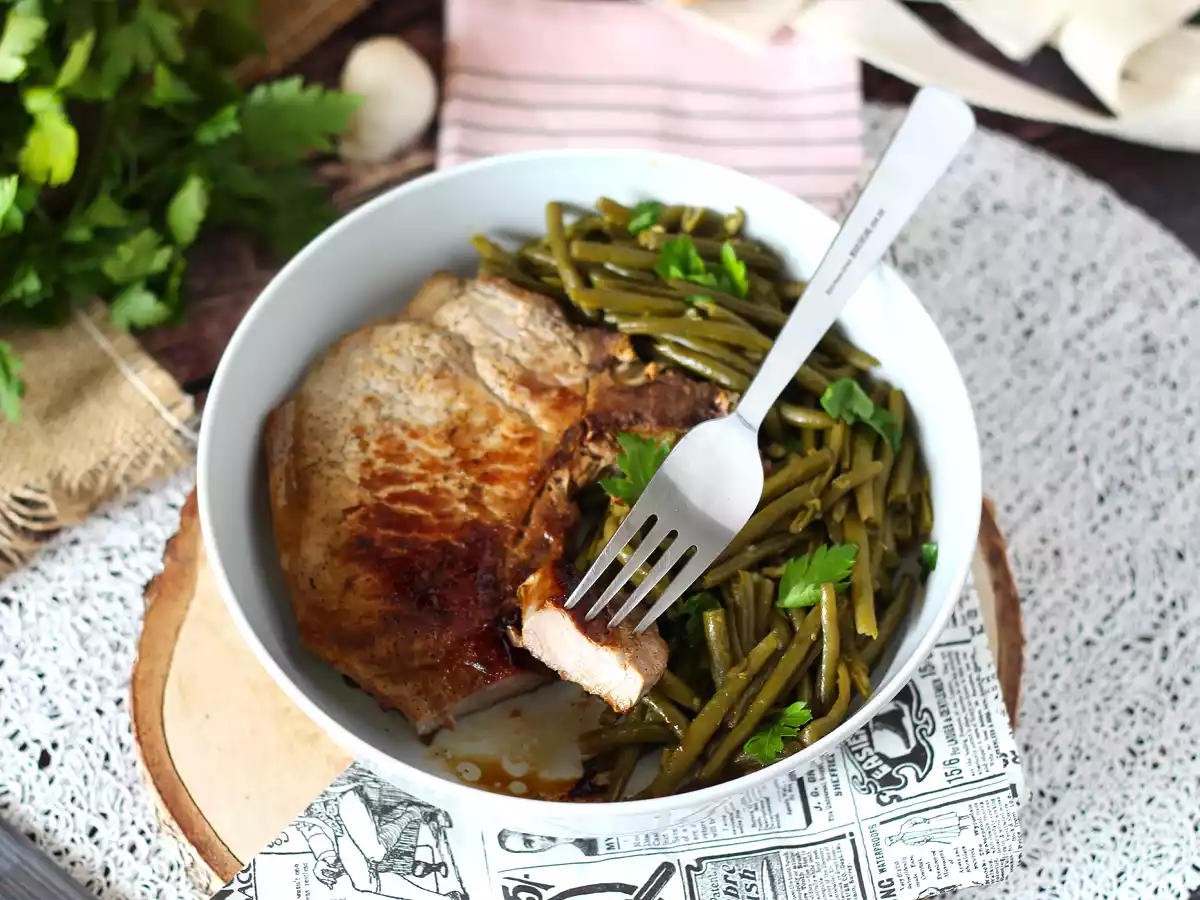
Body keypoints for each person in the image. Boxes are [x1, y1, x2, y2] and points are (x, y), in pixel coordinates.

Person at [887, 813, 972, 847]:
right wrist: (925, 840)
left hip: (929, 825)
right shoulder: (906, 842)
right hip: (931, 834)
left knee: (949, 821)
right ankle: (968, 827)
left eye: (892, 839)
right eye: (893, 842)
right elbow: (918, 844)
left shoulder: (904, 828)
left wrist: (924, 820)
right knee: (951, 830)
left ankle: (969, 816)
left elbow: (914, 820)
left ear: (892, 836)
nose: (894, 840)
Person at [497, 829, 600, 857]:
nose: (537, 836)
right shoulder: (592, 851)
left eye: (527, 831)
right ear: (540, 850)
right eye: (529, 843)